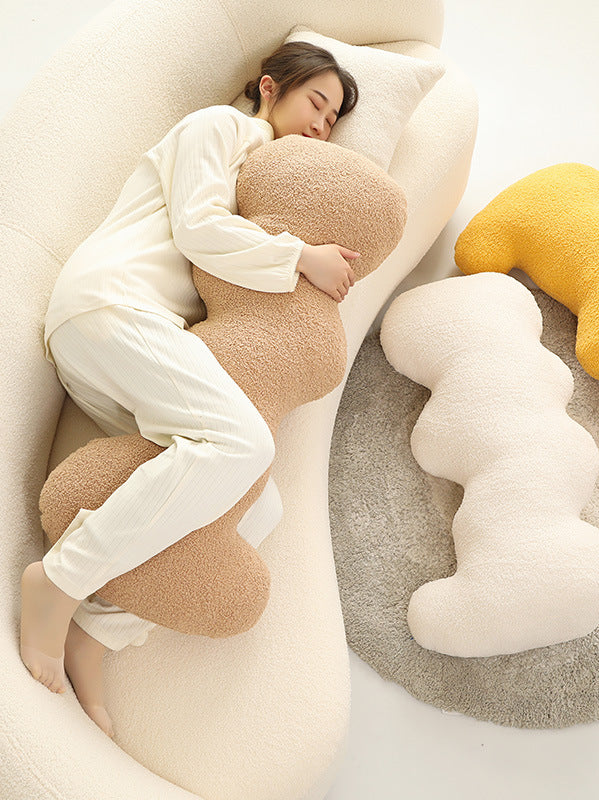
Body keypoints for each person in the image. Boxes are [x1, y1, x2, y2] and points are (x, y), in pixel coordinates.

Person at [19, 42, 359, 740]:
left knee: (256, 501)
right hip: (112, 305)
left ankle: (99, 632)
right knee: (241, 441)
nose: (321, 126)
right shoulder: (221, 128)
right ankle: (60, 579)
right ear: (270, 87)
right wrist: (302, 257)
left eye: (333, 121)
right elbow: (198, 228)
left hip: (128, 339)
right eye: (315, 103)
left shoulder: (261, 176)